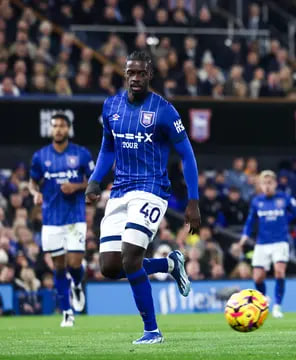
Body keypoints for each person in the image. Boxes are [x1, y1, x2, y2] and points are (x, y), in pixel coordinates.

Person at [85, 51, 201, 345]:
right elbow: (107, 148)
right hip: (120, 191)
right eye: (130, 73)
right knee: (110, 267)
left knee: (132, 256)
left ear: (150, 75)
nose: (135, 78)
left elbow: (187, 154)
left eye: (141, 73)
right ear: (124, 74)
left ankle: (152, 331)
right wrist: (96, 180)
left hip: (151, 190)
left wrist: (193, 200)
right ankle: (169, 265)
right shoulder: (111, 106)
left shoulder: (164, 110)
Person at [29, 113, 93, 327]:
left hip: (75, 217)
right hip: (51, 219)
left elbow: (94, 182)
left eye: (62, 126)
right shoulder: (40, 156)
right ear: (51, 129)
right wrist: (35, 193)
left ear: (68, 129)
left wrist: (76, 186)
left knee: (74, 264)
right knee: (58, 267)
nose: (58, 129)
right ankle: (67, 312)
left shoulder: (81, 154)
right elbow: (32, 182)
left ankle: (76, 283)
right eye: (54, 126)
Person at [239, 170, 296, 318]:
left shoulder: (284, 199)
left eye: (269, 183)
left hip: (280, 242)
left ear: (275, 184)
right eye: (264, 183)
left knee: (279, 271)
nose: (267, 186)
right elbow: (250, 221)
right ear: (260, 185)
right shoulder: (256, 201)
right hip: (262, 243)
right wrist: (244, 236)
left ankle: (277, 307)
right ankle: (265, 300)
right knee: (258, 278)